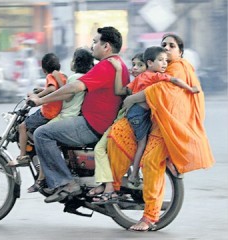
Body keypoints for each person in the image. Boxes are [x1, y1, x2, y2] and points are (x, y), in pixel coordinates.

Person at [107, 34, 215, 231]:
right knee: (117, 134)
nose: (166, 48)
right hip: (155, 121)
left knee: (150, 162)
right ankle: (112, 186)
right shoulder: (162, 66)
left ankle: (149, 217)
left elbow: (162, 90)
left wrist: (132, 99)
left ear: (180, 51)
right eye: (163, 45)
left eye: (171, 45)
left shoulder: (180, 67)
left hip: (168, 127)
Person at [28, 26, 129, 203]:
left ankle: (65, 182)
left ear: (106, 46)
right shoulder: (117, 64)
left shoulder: (106, 66)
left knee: (42, 133)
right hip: (99, 122)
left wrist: (41, 100)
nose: (93, 46)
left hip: (92, 125)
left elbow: (75, 87)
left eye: (95, 42)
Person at [109, 46, 200, 190]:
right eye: (161, 60)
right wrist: (190, 89)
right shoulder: (155, 76)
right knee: (142, 144)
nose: (164, 64)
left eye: (165, 60)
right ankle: (134, 175)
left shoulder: (140, 77)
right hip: (139, 114)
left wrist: (120, 72)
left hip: (134, 113)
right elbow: (174, 80)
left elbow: (121, 91)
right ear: (150, 63)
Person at [27, 47, 94, 193]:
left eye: (72, 59)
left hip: (66, 116)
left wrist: (40, 99)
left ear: (76, 62)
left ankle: (47, 179)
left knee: (40, 135)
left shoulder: (74, 78)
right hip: (72, 116)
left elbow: (66, 94)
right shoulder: (83, 76)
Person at [87, 53, 147, 199]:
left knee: (101, 149)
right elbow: (119, 91)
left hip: (126, 126)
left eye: (140, 65)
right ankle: (104, 184)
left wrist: (131, 100)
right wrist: (119, 70)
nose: (135, 68)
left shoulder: (147, 83)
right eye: (134, 64)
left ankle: (109, 186)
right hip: (121, 122)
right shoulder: (136, 83)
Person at [7, 53, 67, 167]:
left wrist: (37, 97)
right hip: (56, 113)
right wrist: (41, 90)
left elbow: (52, 88)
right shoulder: (62, 76)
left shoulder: (50, 76)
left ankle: (22, 156)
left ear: (44, 69)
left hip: (47, 113)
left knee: (22, 126)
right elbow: (56, 89)